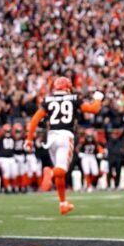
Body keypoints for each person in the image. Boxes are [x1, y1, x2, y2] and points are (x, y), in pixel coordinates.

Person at [25, 76, 104, 214]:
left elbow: (35, 120)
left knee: (59, 174)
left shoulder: (48, 100)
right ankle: (49, 172)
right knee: (60, 170)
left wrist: (29, 139)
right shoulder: (73, 98)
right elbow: (93, 109)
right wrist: (98, 98)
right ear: (67, 87)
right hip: (65, 136)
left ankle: (63, 203)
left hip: (51, 137)